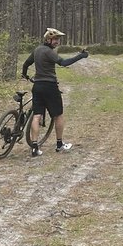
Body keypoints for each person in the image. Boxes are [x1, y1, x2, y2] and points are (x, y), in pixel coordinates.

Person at [21, 27, 89, 157]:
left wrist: (25, 76)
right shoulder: (48, 52)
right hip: (50, 87)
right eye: (55, 39)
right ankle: (59, 145)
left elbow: (26, 64)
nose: (57, 42)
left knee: (36, 116)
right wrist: (81, 56)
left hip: (37, 86)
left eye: (58, 39)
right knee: (58, 115)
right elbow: (63, 63)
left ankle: (34, 147)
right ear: (48, 39)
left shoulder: (37, 50)